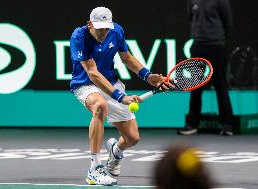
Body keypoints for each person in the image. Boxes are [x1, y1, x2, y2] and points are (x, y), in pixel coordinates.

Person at [69, 7, 171, 186]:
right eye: (100, 28)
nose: (103, 32)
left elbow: (126, 58)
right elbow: (93, 73)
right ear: (90, 24)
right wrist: (120, 97)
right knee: (100, 106)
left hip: (111, 82)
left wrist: (148, 76)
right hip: (85, 84)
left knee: (132, 138)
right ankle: (95, 169)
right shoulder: (79, 36)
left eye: (106, 28)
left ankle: (116, 151)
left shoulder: (116, 31)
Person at [179, 0, 234, 136]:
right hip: (198, 46)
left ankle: (227, 125)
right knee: (196, 87)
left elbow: (228, 23)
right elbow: (191, 18)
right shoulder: (192, 1)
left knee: (221, 86)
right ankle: (192, 124)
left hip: (216, 47)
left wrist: (217, 39)